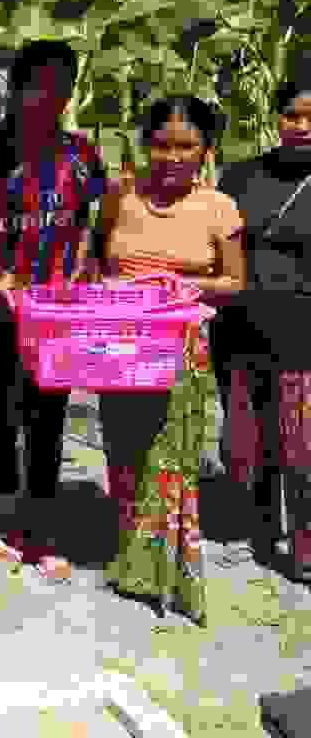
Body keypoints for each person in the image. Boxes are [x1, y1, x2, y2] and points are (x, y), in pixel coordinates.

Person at [94, 96, 244, 623]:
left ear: (205, 149)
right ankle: (131, 564)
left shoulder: (218, 207)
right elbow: (99, 261)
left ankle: (167, 573)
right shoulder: (121, 198)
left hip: (181, 348)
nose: (173, 156)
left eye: (186, 145)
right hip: (119, 343)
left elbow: (234, 280)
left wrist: (179, 285)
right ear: (146, 144)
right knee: (124, 451)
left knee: (171, 460)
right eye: (162, 145)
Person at [0, 39, 108, 579]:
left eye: (62, 86)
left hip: (56, 316)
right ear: (18, 88)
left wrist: (88, 263)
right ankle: (6, 521)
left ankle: (41, 531)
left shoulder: (82, 154)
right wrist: (3, 281)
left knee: (48, 418)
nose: (51, 96)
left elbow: (98, 218)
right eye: (40, 84)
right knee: (0, 418)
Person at [217, 64, 311, 585]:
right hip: (240, 332)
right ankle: (257, 530)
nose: (301, 125)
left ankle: (304, 546)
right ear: (277, 118)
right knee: (246, 444)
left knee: (302, 446)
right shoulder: (242, 176)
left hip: (303, 339)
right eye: (291, 114)